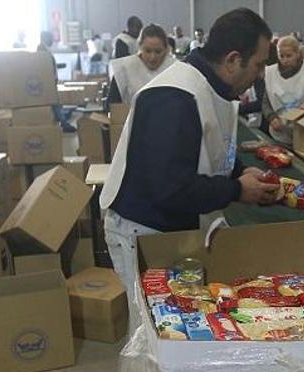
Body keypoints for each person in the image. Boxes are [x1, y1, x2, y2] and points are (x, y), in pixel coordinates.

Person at [100, 8, 279, 332]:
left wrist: (240, 173)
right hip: (144, 230)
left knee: (178, 331)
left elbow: (211, 149)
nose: (261, 74)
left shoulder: (214, 89)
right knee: (155, 335)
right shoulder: (174, 96)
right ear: (233, 60)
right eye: (259, 64)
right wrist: (237, 190)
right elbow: (170, 188)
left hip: (173, 227)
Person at [107, 24, 175, 106]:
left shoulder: (175, 69)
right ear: (140, 47)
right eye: (147, 51)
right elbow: (112, 106)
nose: (152, 57)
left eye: (158, 52)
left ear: (166, 50)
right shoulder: (124, 69)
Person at [37, 32, 76, 133]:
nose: (52, 41)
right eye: (51, 38)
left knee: (57, 104)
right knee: (55, 104)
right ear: (45, 38)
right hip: (48, 82)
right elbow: (43, 66)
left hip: (50, 81)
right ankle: (63, 123)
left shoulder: (45, 49)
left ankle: (63, 122)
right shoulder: (41, 49)